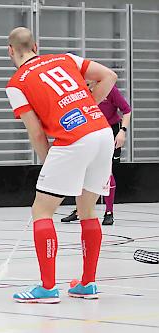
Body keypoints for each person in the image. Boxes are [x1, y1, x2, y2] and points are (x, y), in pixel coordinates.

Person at [4, 27, 118, 303]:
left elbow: (36, 132)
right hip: (102, 133)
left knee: (42, 210)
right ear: (36, 45)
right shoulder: (66, 58)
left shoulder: (16, 84)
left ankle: (47, 288)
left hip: (73, 139)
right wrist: (88, 105)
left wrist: (48, 162)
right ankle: (87, 283)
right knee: (88, 209)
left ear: (10, 51)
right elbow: (109, 76)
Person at [61, 82, 131, 225]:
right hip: (89, 131)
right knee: (83, 171)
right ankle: (80, 210)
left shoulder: (109, 89)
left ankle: (109, 211)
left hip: (110, 130)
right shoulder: (80, 91)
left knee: (107, 172)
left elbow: (126, 110)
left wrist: (122, 132)